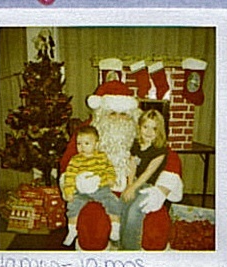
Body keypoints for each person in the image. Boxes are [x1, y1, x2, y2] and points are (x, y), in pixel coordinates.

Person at [60, 63, 183, 250]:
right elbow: (68, 160)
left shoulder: (141, 130)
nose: (118, 118)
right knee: (93, 229)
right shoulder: (88, 132)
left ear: (132, 115)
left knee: (156, 228)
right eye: (113, 113)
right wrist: (78, 181)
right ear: (102, 113)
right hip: (98, 191)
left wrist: (162, 190)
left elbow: (169, 157)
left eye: (124, 114)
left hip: (134, 189)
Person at [62, 125, 122, 246]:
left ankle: (115, 227)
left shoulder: (102, 157)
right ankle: (72, 230)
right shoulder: (76, 160)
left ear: (96, 144)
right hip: (81, 191)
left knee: (112, 201)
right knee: (73, 205)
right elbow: (70, 176)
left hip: (100, 188)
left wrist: (111, 178)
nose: (82, 147)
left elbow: (109, 168)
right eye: (79, 143)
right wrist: (68, 191)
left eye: (86, 143)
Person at [120, 109, 168, 250]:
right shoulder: (136, 144)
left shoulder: (160, 150)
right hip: (135, 183)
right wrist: (129, 186)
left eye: (154, 128)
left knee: (135, 210)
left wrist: (133, 188)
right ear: (139, 127)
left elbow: (148, 172)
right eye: (145, 127)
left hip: (150, 187)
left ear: (159, 131)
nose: (148, 132)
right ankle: (122, 243)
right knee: (124, 205)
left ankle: (131, 249)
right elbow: (132, 166)